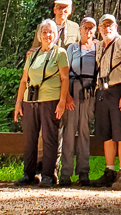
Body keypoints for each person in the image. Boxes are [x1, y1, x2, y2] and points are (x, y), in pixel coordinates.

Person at [14, 18, 69, 187]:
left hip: (50, 100)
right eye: (44, 32)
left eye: (50, 32)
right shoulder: (33, 55)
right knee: (30, 139)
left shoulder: (60, 53)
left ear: (55, 35)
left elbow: (65, 78)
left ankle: (47, 174)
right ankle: (28, 174)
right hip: (30, 101)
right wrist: (18, 103)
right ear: (39, 35)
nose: (47, 35)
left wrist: (62, 102)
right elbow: (24, 80)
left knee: (49, 138)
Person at [92, 14, 121, 189]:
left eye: (110, 25)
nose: (106, 29)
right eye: (103, 26)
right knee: (107, 133)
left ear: (116, 27)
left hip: (119, 89)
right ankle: (109, 171)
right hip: (103, 91)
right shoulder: (99, 47)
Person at [60, 16, 97, 186]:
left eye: (91, 28)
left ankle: (83, 172)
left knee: (84, 131)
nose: (88, 31)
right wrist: (66, 95)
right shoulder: (72, 48)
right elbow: (64, 73)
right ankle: (65, 173)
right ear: (80, 30)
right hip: (73, 89)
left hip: (89, 91)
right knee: (69, 131)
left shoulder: (98, 48)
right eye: (85, 28)